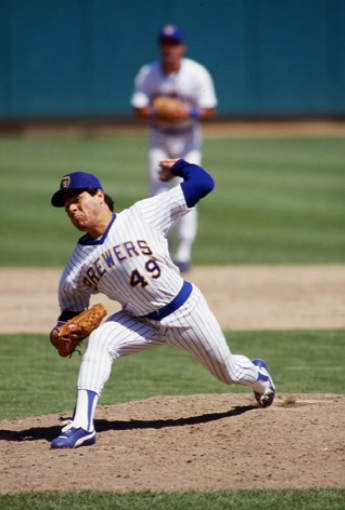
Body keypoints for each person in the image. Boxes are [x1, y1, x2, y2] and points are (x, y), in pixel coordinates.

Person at [49, 158, 275, 449]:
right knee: (101, 341)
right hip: (139, 320)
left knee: (228, 373)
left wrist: (179, 165)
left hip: (185, 311)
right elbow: (71, 313)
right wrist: (59, 333)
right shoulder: (75, 267)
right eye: (67, 205)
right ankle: (82, 424)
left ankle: (258, 375)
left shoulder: (142, 214)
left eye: (77, 199)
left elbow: (203, 183)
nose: (71, 208)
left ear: (99, 196)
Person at [130, 24, 217, 273]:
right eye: (166, 43)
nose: (170, 48)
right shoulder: (148, 73)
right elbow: (138, 109)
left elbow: (209, 110)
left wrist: (188, 111)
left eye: (174, 44)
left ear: (182, 47)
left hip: (188, 139)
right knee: (157, 191)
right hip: (159, 138)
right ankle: (161, 251)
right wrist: (159, 110)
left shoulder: (197, 73)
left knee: (187, 191)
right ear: (160, 47)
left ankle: (184, 252)